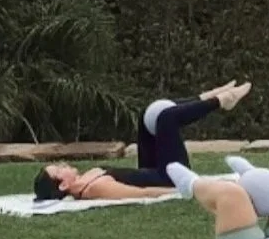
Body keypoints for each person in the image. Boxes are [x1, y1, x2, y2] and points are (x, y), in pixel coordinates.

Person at [33, 81, 252, 202]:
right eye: (58, 169)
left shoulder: (86, 179)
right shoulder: (93, 189)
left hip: (151, 169)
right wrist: (189, 188)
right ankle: (221, 101)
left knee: (147, 116)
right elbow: (142, 194)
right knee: (166, 119)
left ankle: (204, 98)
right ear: (63, 184)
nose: (63, 164)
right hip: (169, 177)